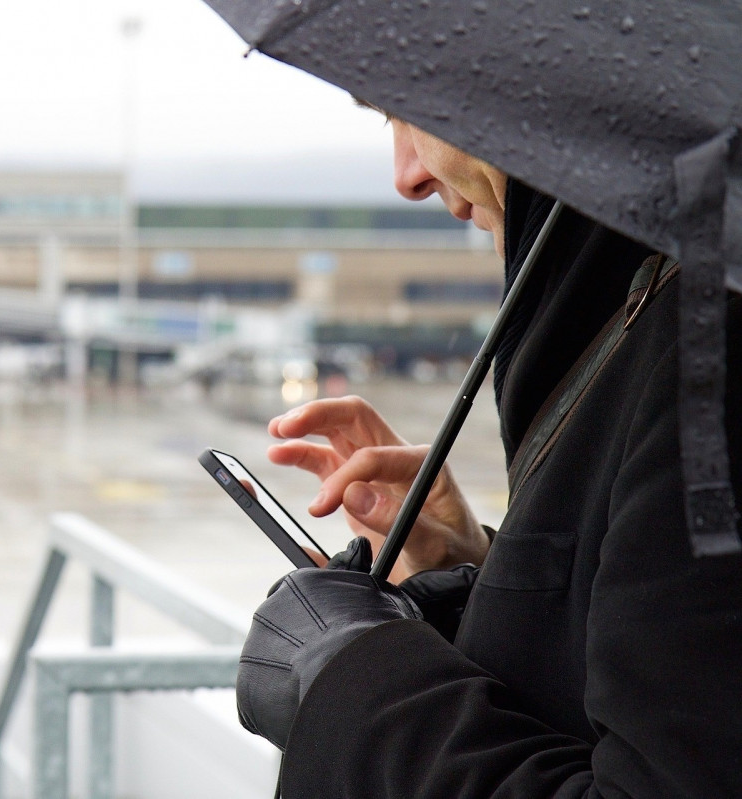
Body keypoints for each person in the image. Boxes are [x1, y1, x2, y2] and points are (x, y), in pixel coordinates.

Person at [234, 112, 742, 796]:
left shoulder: (705, 351)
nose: (405, 174)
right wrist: (479, 570)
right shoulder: (653, 304)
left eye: (408, 108)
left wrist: (352, 675)